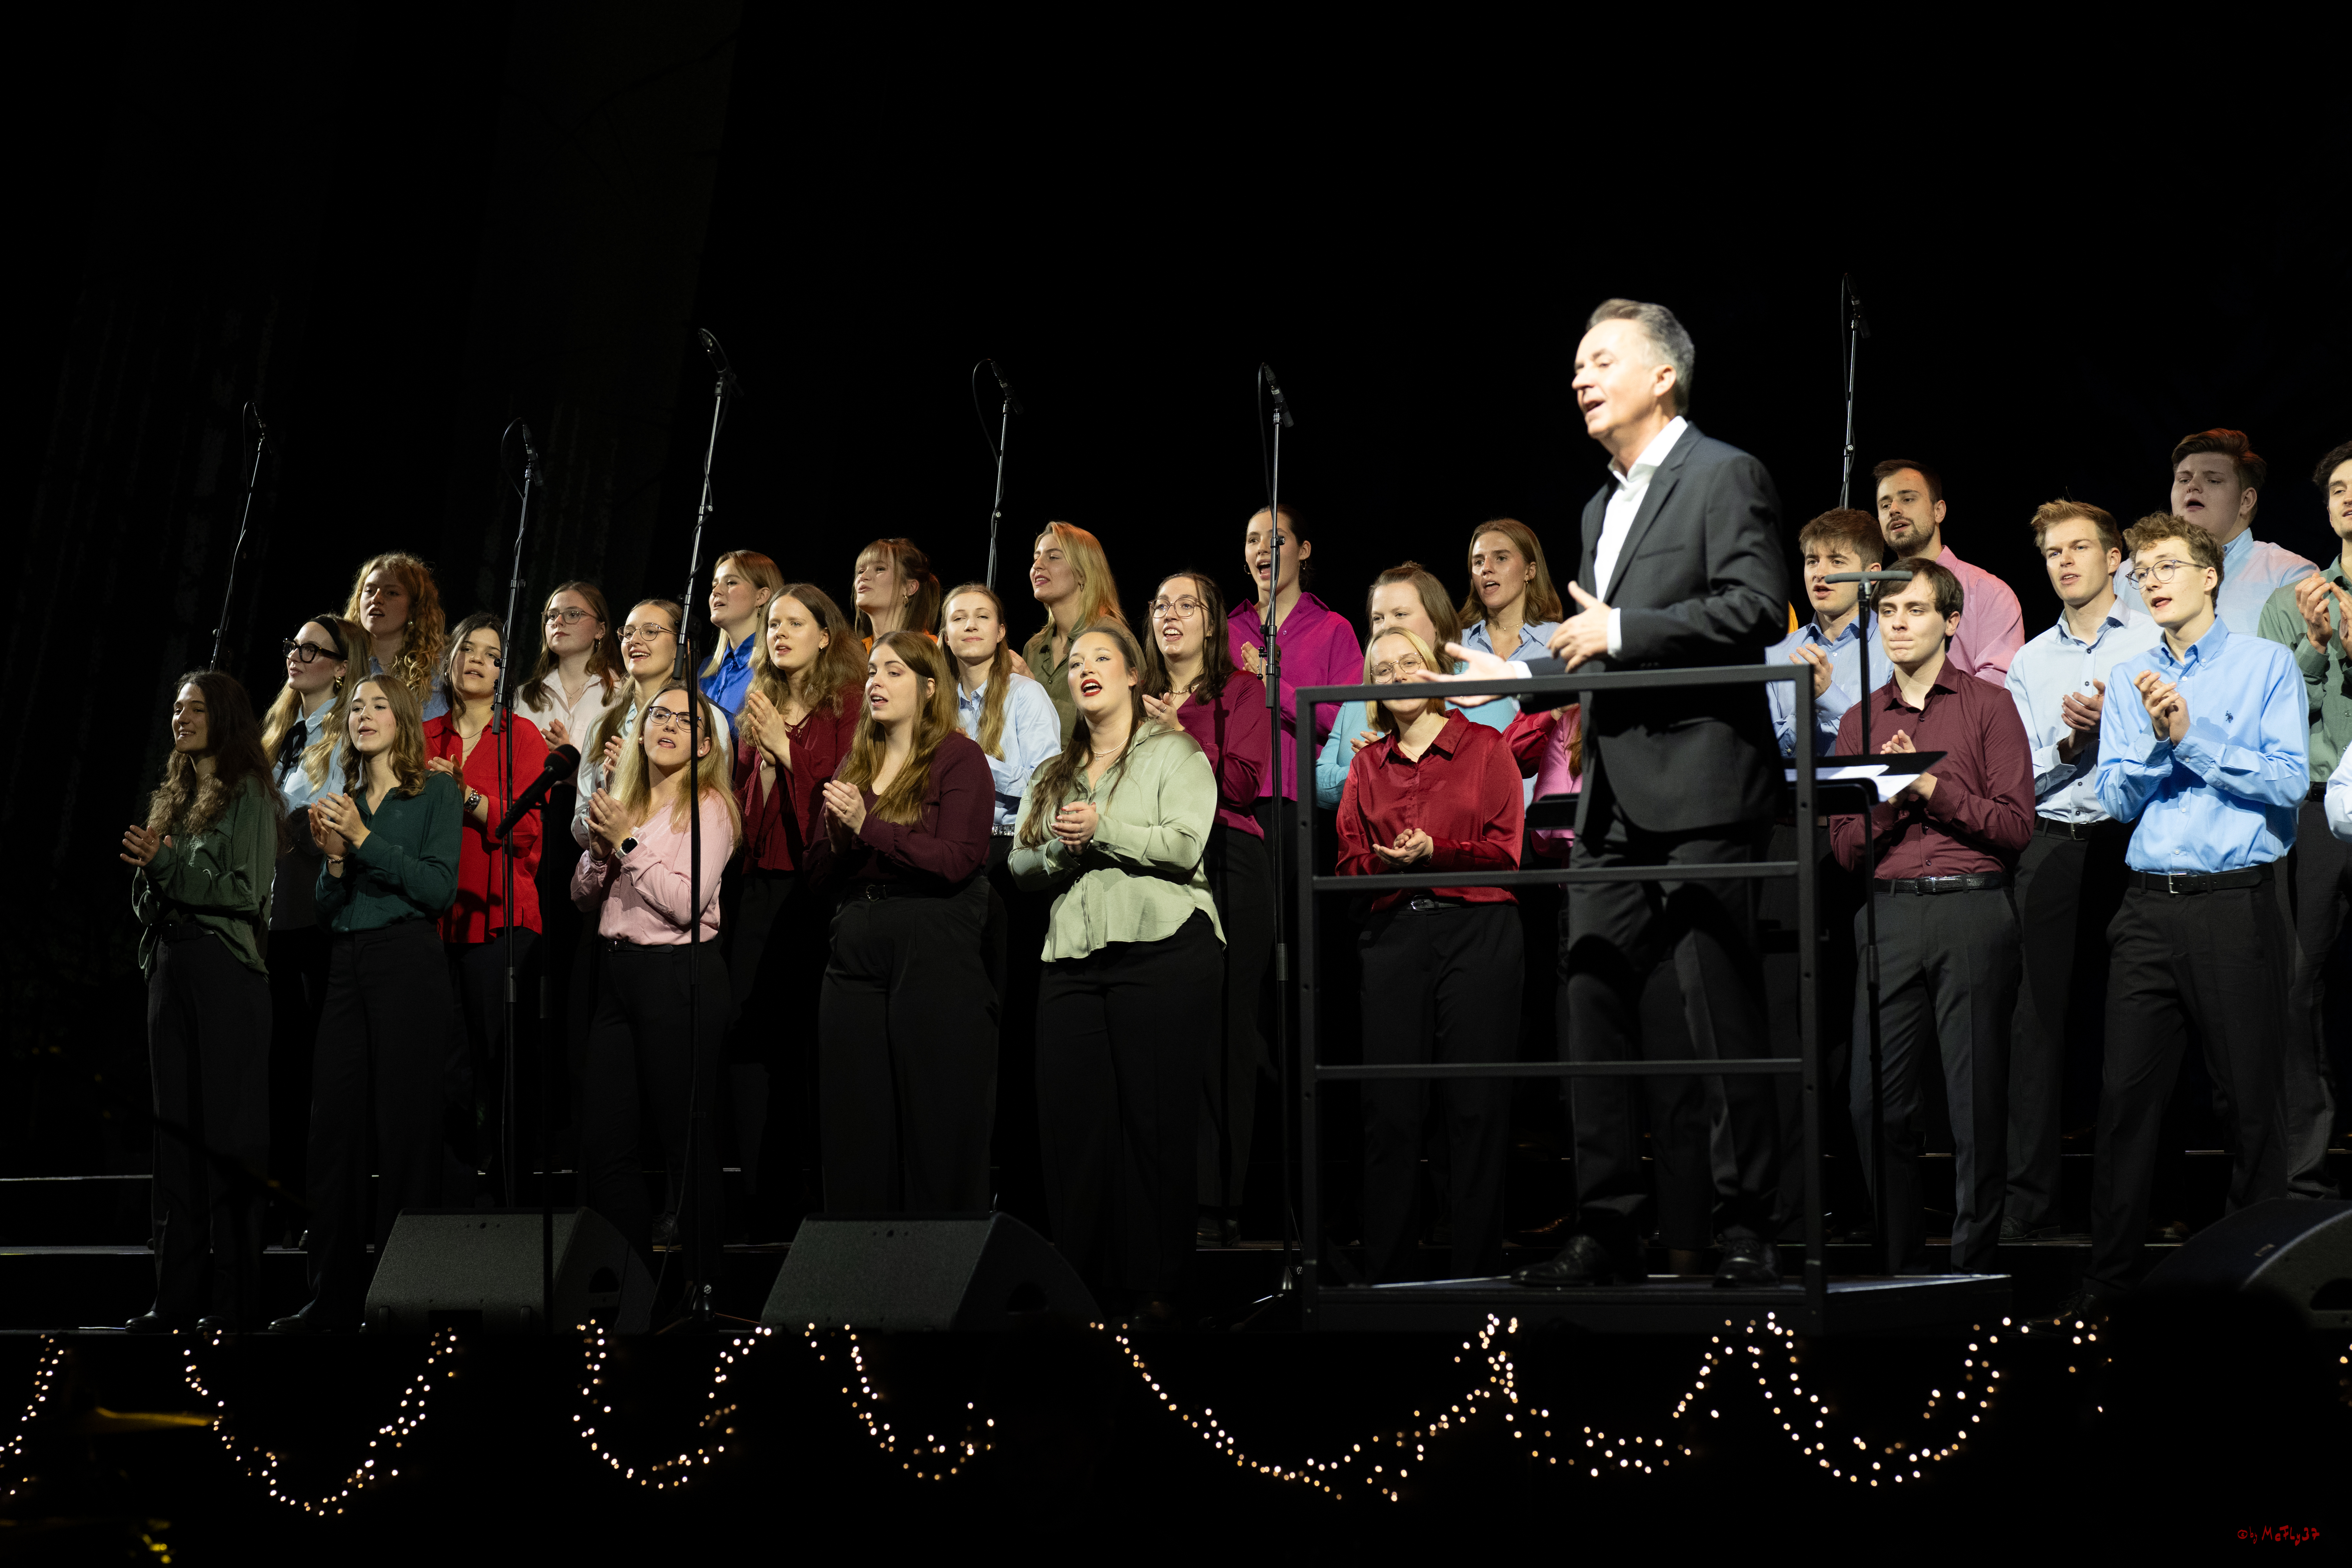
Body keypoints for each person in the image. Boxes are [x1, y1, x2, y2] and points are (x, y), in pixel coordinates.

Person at [1425, 299, 1789, 1288]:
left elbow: (1755, 607)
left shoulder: (1724, 474)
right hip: (1612, 794)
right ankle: (1605, 1225)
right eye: (1576, 362)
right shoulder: (1598, 506)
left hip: (1706, 781)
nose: (1580, 377)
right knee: (1588, 994)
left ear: (1663, 374)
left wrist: (1624, 631)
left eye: (1602, 360)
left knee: (1716, 1007)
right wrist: (1519, 680)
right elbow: (1591, 647)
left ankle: (1745, 1220)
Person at [2069, 515, 2308, 1316]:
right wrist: (2146, 746)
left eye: (2168, 565)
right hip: (2147, 909)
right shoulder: (2134, 672)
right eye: (2142, 572)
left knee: (2248, 1102)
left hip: (2234, 905)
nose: (2152, 580)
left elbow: (2286, 784)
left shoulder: (2263, 664)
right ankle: (2110, 1282)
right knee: (2126, 1100)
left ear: (2210, 575)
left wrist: (2190, 735)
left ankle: (2260, 1284)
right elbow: (2114, 796)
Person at [1012, 623, 1222, 1324]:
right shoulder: (1053, 772)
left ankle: (1155, 1288)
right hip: (1072, 959)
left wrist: (1100, 829)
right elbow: (1020, 863)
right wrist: (1067, 850)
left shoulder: (1173, 751)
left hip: (1162, 951)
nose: (1085, 669)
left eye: (1101, 657)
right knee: (1076, 1128)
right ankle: (1083, 1288)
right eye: (1074, 662)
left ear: (1135, 675)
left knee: (1153, 1126)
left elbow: (1186, 844)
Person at [1828, 560, 2034, 1272]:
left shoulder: (1985, 707)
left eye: (1913, 610)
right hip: (1886, 916)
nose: (1897, 624)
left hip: (1968, 910)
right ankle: (1897, 1261)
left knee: (1974, 1102)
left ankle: (1971, 1266)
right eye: (1886, 613)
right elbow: (1844, 846)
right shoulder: (1859, 718)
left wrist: (1931, 788)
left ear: (1950, 622)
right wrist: (1891, 798)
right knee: (1870, 1103)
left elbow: (2014, 828)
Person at [273, 674, 462, 1331]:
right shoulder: (343, 798)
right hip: (348, 966)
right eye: (355, 707)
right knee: (334, 1133)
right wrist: (331, 864)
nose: (364, 715)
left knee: (407, 1131)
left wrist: (363, 839)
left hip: (408, 960)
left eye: (379, 705)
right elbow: (329, 910)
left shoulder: (435, 790)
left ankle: (401, 1297)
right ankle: (329, 1296)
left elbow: (439, 888)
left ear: (404, 718)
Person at [1337, 627, 1524, 1282]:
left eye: (1408, 663)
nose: (1395, 676)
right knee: (1388, 1111)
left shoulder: (1483, 746)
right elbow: (1346, 859)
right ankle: (1388, 1278)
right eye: (1381, 669)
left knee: (1473, 1109)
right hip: (1392, 936)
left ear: (1434, 670)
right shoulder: (1365, 764)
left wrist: (1436, 852)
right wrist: (1384, 865)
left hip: (1477, 929)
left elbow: (1506, 851)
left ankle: (1476, 1278)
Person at [2001, 501, 2160, 1240]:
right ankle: (2030, 1210)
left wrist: (2119, 729)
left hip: (2131, 839)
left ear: (2112, 558)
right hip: (2055, 840)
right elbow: (2014, 775)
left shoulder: (2154, 639)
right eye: (2050, 553)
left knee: (2135, 1028)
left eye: (2077, 549)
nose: (2064, 563)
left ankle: (2137, 1205)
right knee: (2037, 1025)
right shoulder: (2030, 660)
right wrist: (2069, 747)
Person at [808, 631, 998, 1212]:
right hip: (857, 943)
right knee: (855, 1113)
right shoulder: (856, 760)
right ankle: (862, 1273)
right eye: (871, 671)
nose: (875, 682)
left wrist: (870, 826)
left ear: (929, 687)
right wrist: (840, 839)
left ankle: (939, 1272)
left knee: (935, 1113)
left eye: (893, 671)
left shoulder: (956, 756)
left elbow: (957, 858)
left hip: (932, 939)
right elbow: (817, 874)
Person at [122, 671, 283, 1333]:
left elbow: (244, 892)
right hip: (169, 963)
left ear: (223, 715)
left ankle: (235, 1299)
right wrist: (153, 874)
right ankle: (175, 1296)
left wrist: (163, 867)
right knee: (175, 1139)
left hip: (224, 969)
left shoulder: (248, 791)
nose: (180, 718)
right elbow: (147, 888)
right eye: (175, 708)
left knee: (229, 1140)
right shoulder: (174, 793)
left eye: (193, 708)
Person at [572, 682, 739, 1302]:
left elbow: (687, 904)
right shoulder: (625, 798)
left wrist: (625, 843)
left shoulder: (712, 806)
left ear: (704, 744)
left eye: (684, 719)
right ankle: (631, 1286)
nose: (667, 725)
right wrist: (596, 854)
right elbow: (584, 896)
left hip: (679, 975)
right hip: (618, 974)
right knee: (606, 1142)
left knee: (684, 1139)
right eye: (657, 714)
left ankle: (705, 1285)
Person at [726, 583, 866, 1230]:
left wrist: (786, 751)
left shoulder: (847, 704)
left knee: (806, 1043)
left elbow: (843, 791)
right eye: (771, 623)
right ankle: (762, 1192)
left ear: (825, 636)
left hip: (816, 886)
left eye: (792, 622)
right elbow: (744, 801)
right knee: (757, 1043)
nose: (778, 632)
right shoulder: (759, 705)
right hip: (757, 884)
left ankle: (814, 1192)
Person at [1139, 571, 1271, 1241]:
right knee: (1158, 1033)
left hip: (1226, 861)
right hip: (1151, 870)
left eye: (1185, 605)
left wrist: (1180, 736)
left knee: (1224, 1034)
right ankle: (1159, 1197)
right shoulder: (1134, 693)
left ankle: (1216, 1205)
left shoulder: (1240, 692)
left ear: (1212, 620)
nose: (1171, 615)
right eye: (1161, 605)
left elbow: (1245, 785)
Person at [942, 581, 1062, 1223]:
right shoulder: (933, 698)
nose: (966, 626)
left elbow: (1046, 776)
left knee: (1012, 1029)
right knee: (957, 1032)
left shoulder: (1025, 695)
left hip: (1006, 867)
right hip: (947, 871)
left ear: (999, 633)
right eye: (955, 617)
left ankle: (1021, 1197)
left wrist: (973, 765)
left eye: (979, 617)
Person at [2255, 439, 2352, 1200]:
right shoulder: (2297, 596)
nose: (2348, 497)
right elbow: (2267, 701)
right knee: (2296, 983)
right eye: (2338, 488)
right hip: (2319, 810)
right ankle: (2300, 1172)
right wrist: (2317, 649)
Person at [424, 613, 548, 1203]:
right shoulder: (422, 738)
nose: (476, 660)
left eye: (491, 655)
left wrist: (466, 795)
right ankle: (447, 1203)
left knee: (502, 1071)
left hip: (498, 915)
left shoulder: (521, 736)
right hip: (433, 918)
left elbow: (526, 833)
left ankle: (509, 1207)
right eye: (467, 649)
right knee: (443, 1075)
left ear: (504, 673)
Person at [257, 615, 361, 1242]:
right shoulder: (278, 734)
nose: (298, 657)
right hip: (273, 918)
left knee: (317, 1067)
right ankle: (278, 1196)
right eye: (293, 645)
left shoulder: (347, 733)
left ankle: (317, 1206)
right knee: (278, 1065)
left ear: (342, 665)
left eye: (313, 650)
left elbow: (338, 815)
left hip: (322, 917)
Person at [513, 582, 626, 1128]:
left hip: (588, 833)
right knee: (539, 968)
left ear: (602, 628)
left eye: (573, 613)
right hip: (536, 829)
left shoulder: (621, 691)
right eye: (551, 613)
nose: (558, 621)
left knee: (579, 970)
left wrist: (576, 756)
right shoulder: (529, 694)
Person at [1314, 563, 1512, 809]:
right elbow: (1320, 787)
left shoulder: (1477, 684)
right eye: (1378, 618)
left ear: (1437, 621)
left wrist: (1389, 763)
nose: (1387, 627)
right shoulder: (1360, 696)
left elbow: (1490, 778)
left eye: (1400, 615)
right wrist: (1371, 767)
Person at [2120, 429, 2316, 633]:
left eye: (2213, 480)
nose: (2193, 486)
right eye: (2184, 479)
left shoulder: (2287, 576)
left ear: (2246, 500)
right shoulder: (2131, 575)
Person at [1870, 460, 2026, 684]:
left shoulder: (1987, 592)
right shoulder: (1873, 597)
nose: (1894, 509)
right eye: (1885, 505)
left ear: (1938, 511)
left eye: (1907, 499)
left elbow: (1997, 685)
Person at [1767, 509, 1884, 759]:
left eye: (1837, 561)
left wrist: (1827, 695)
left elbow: (1890, 747)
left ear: (1871, 575)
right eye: (1812, 561)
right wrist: (1803, 711)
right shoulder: (1776, 653)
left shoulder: (1895, 648)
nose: (1820, 572)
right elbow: (1760, 755)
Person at [571, 600, 684, 851]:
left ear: (680, 647)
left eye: (651, 631)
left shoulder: (701, 720)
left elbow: (708, 816)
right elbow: (580, 824)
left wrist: (633, 781)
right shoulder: (602, 725)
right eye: (629, 632)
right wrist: (604, 809)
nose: (634, 641)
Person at [1456, 518, 1566, 736]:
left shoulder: (1559, 640)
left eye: (1501, 558)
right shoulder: (1456, 643)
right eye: (1478, 562)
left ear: (1530, 571)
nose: (1486, 569)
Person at [1023, 522, 1126, 744]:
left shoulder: (1112, 636)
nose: (1037, 566)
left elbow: (1126, 722)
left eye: (1053, 557)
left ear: (1083, 573)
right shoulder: (1033, 648)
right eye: (1036, 557)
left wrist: (1034, 693)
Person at [340, 551, 450, 721]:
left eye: (392, 593)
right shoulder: (341, 661)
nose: (376, 599)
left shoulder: (441, 667)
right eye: (369, 590)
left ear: (415, 608)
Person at [701, 550, 781, 721]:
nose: (716, 591)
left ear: (761, 597)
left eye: (730, 583)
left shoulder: (774, 668)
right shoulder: (705, 669)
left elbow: (754, 736)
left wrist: (696, 706)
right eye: (714, 585)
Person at [850, 537, 942, 648]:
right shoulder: (854, 654)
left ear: (910, 588)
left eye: (880, 569)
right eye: (861, 571)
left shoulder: (933, 650)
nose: (863, 577)